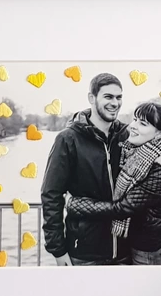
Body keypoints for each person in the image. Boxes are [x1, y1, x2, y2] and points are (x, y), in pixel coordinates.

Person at [65, 102, 161, 265]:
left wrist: (74, 204)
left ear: (160, 133)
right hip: (140, 247)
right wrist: (80, 119)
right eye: (135, 120)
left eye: (143, 123)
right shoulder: (139, 153)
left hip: (154, 252)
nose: (133, 126)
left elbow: (123, 208)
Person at [41, 73, 129, 266]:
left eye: (119, 97)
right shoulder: (68, 139)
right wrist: (58, 250)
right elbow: (51, 194)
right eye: (108, 96)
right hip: (84, 254)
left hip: (127, 251)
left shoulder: (128, 135)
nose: (115, 103)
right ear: (92, 98)